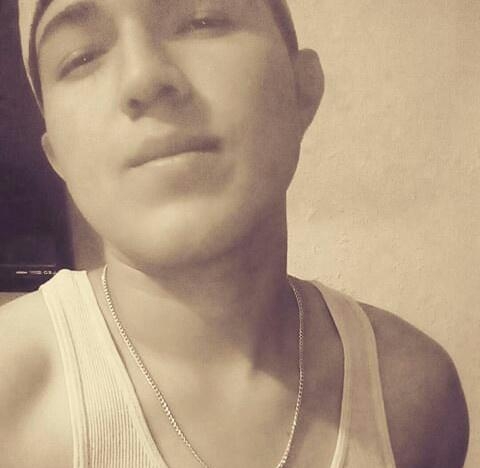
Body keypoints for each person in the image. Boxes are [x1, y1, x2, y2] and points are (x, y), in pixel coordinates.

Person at [0, 0, 469, 467]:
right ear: (56, 155)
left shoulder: (412, 395)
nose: (143, 78)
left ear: (302, 89)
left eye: (202, 21)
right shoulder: (10, 394)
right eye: (81, 57)